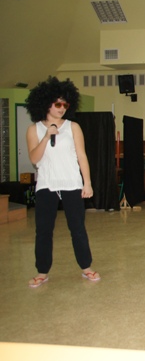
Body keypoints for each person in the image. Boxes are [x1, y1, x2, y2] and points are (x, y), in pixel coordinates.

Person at [24, 77, 100, 288]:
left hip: (71, 184)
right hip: (46, 185)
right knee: (43, 230)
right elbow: (34, 159)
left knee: (77, 228)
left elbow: (82, 156)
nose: (62, 108)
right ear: (46, 103)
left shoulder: (73, 127)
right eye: (58, 104)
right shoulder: (33, 129)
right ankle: (42, 271)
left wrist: (87, 183)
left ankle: (86, 267)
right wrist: (46, 137)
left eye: (65, 105)